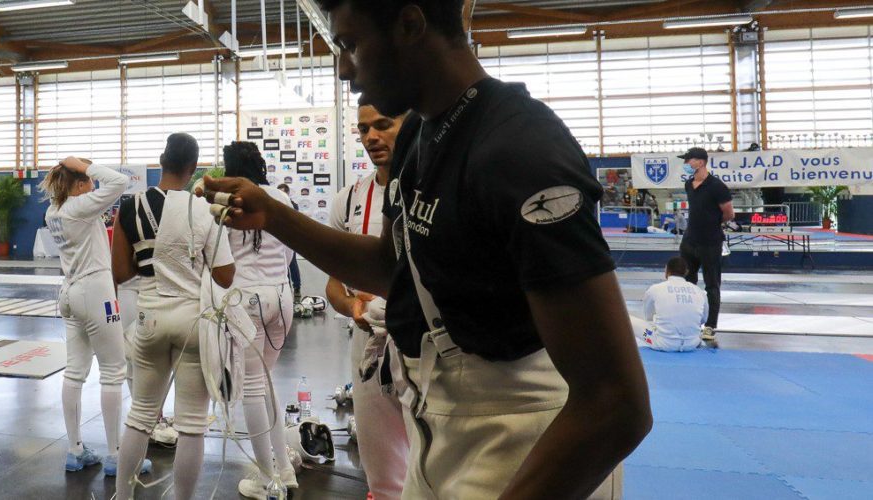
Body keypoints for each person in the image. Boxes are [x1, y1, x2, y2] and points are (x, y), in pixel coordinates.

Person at [197, 1, 652, 498]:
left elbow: (615, 405)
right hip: (439, 425)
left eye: (350, 45)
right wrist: (276, 216)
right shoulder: (421, 134)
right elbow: (395, 267)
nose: (344, 70)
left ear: (410, 24)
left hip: (528, 435)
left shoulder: (521, 149)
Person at [111, 133, 235, 500]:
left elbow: (120, 272)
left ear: (161, 160)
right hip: (194, 322)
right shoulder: (204, 209)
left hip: (149, 318)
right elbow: (226, 276)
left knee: (140, 417)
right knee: (193, 425)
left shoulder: (130, 205)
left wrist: (151, 259)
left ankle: (122, 495)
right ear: (193, 168)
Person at [326, 100, 409, 500]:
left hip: (426, 344)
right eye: (363, 129)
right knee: (382, 472)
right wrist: (351, 307)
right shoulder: (350, 197)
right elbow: (333, 287)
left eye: (383, 124)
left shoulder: (436, 190)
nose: (372, 136)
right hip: (369, 344)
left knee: (437, 465)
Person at [41, 156, 130, 474]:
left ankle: (75, 450)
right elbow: (120, 182)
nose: (94, 184)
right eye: (88, 180)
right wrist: (85, 164)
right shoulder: (80, 207)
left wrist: (82, 168)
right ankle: (117, 456)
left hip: (69, 294)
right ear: (79, 184)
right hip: (95, 294)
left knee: (75, 372)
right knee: (113, 372)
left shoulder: (54, 210)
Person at [222, 142, 299, 498]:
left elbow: (218, 258)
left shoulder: (224, 202)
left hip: (245, 300)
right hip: (282, 296)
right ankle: (284, 470)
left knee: (253, 387)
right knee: (267, 384)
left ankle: (269, 482)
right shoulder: (280, 199)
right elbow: (290, 252)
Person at [678, 147, 734, 345]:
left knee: (712, 285)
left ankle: (710, 325)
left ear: (700, 162)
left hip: (710, 242)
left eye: (689, 160)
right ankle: (688, 320)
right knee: (685, 282)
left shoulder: (717, 186)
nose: (686, 164)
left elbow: (729, 213)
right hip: (689, 241)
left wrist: (713, 224)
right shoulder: (688, 184)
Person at [630, 257, 707, 352]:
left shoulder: (655, 289)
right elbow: (703, 319)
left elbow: (648, 317)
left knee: (629, 320)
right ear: (686, 272)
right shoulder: (699, 291)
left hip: (662, 344)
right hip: (692, 344)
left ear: (666, 270)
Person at [277, 183, 303, 302]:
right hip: (279, 239)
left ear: (287, 193)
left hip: (291, 239)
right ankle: (287, 288)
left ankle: (297, 288)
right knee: (282, 264)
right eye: (279, 193)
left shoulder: (294, 206)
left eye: (283, 193)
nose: (281, 195)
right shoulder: (275, 205)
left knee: (292, 263)